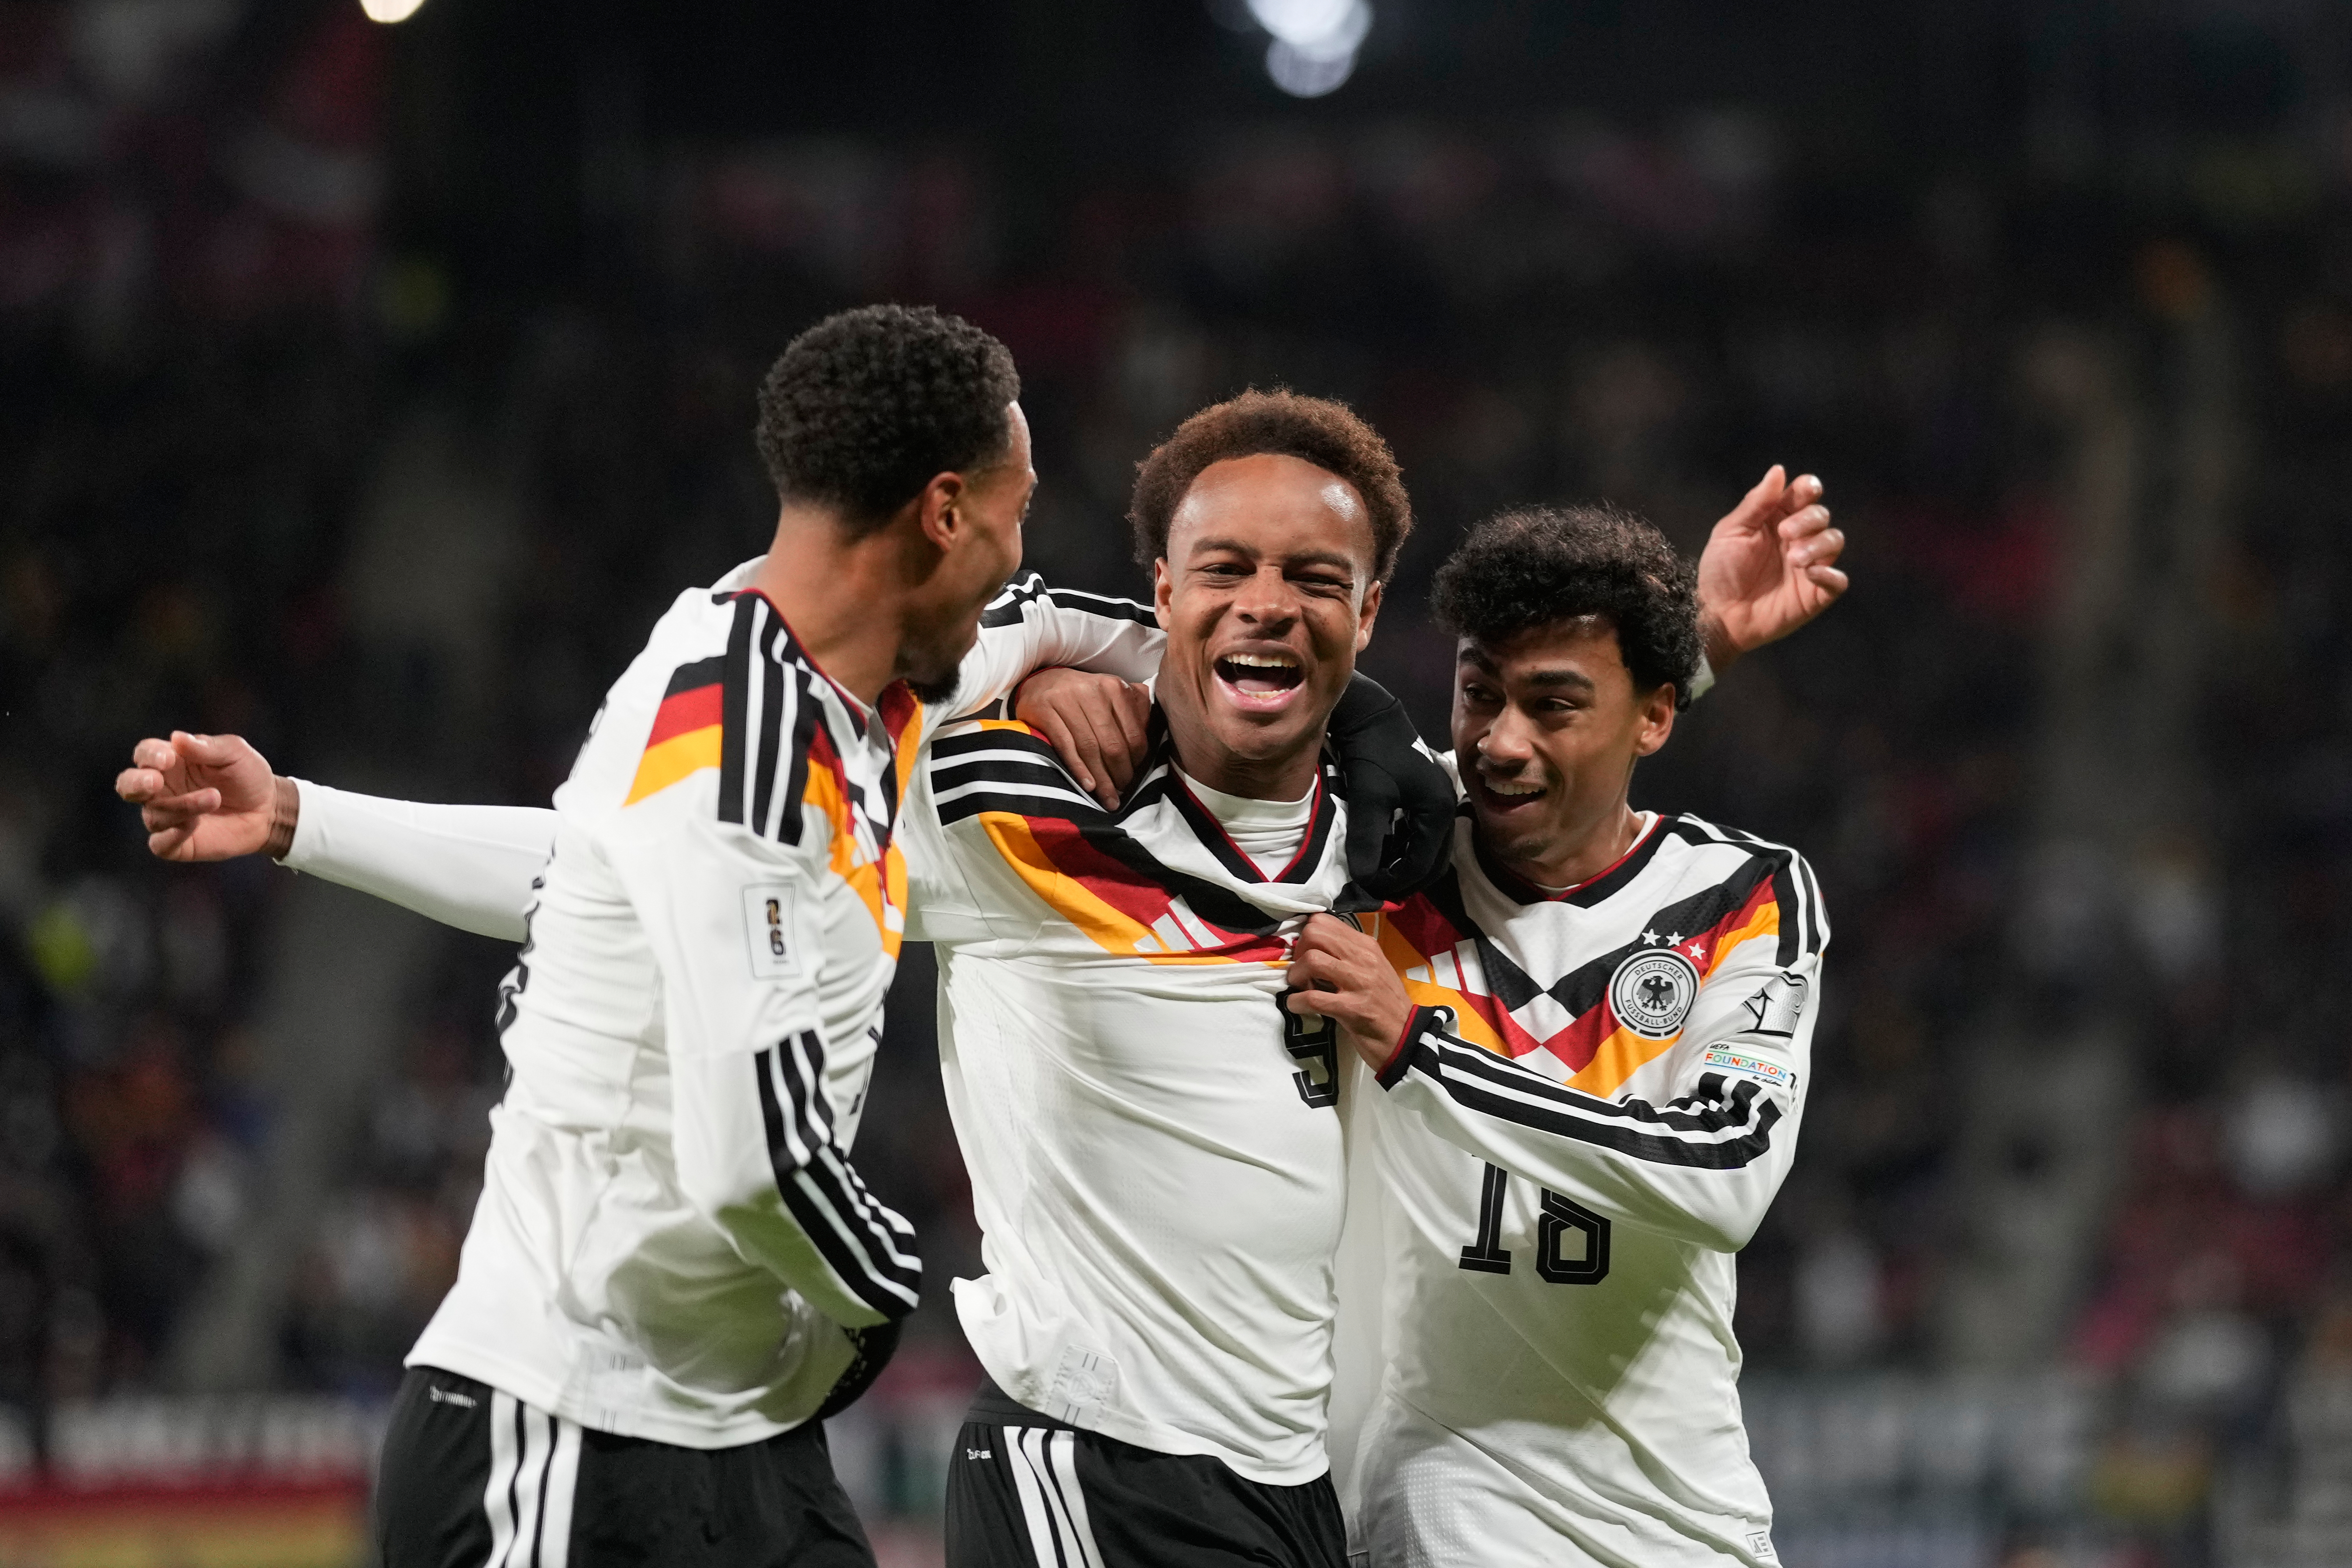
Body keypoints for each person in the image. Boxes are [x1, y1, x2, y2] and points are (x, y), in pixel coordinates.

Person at [123, 390, 1841, 1565]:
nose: (1265, 607)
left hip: (1299, 1493)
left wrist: (1679, 631)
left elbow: (1571, 775)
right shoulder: (1010, 802)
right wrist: (307, 822)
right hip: (1089, 1471)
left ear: (1369, 605)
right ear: (1152, 591)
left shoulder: (1400, 840)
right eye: (1220, 571)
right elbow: (636, 886)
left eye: (1311, 577)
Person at [1277, 503, 1829, 1566]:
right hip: (1437, 1505)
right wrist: (1062, 663)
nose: (1499, 740)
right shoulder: (1382, 856)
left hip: (1683, 1520)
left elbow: (1726, 1170)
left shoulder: (1739, 894)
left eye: (1552, 704)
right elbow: (1213, 715)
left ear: (1656, 716)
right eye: (1478, 693)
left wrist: (1418, 1050)